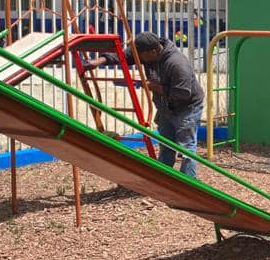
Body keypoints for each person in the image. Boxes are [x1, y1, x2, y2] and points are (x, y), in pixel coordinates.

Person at [83, 31, 205, 178]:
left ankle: (189, 183)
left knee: (186, 147)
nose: (139, 59)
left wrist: (153, 86)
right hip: (166, 106)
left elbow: (183, 93)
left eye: (141, 56)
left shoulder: (177, 64)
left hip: (187, 107)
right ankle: (163, 178)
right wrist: (100, 61)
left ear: (153, 51)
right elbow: (124, 56)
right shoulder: (146, 53)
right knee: (166, 143)